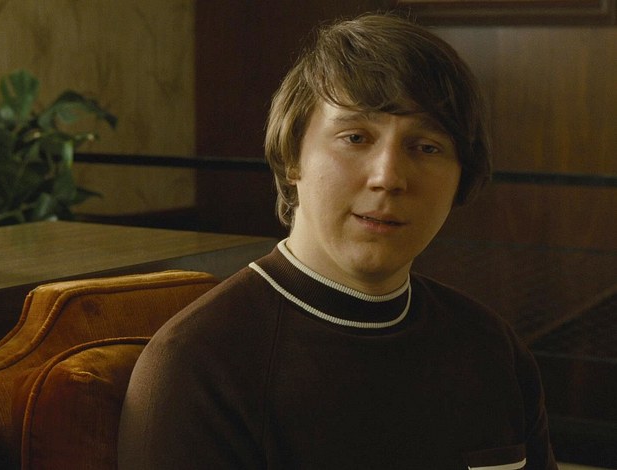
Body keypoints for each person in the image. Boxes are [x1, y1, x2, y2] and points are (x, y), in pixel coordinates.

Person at [117, 13, 557, 469]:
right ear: (293, 156)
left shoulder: (493, 349)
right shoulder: (198, 367)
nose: (388, 177)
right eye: (355, 137)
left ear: (461, 178)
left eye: (426, 147)